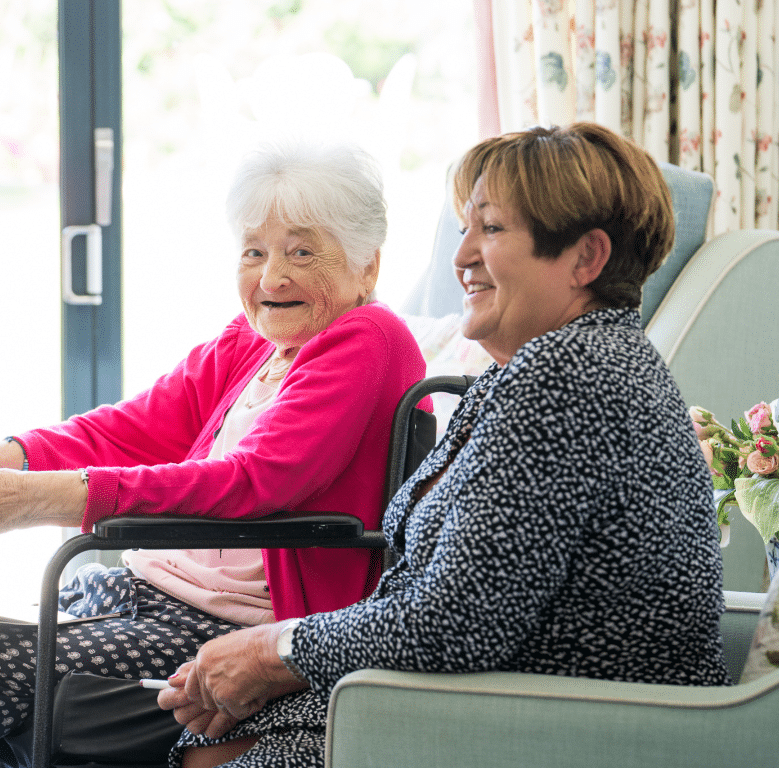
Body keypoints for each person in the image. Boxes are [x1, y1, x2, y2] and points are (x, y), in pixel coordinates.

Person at [0, 140, 428, 767]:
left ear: (367, 267)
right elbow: (132, 428)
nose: (272, 277)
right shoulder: (253, 341)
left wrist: (35, 501)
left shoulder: (369, 338)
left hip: (223, 632)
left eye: (302, 252)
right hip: (133, 593)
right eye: (255, 251)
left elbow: (257, 480)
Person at [157, 122, 732, 768]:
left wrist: (273, 651)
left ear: (585, 259)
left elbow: (457, 623)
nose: (460, 257)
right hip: (495, 702)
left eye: (490, 229)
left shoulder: (569, 378)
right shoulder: (550, 366)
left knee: (214, 748)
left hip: (560, 725)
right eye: (464, 228)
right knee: (208, 737)